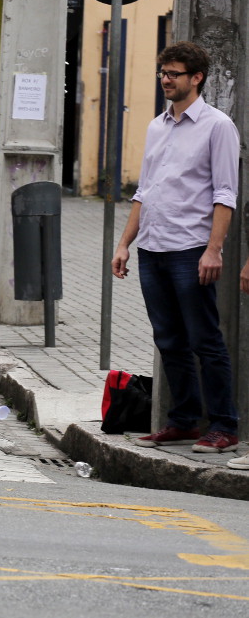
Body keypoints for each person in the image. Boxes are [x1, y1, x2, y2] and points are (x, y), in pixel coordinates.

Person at [111, 41, 240, 454]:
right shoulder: (156, 126)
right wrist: (124, 244)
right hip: (152, 248)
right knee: (168, 340)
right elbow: (144, 192)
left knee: (205, 340)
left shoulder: (218, 126)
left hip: (190, 248)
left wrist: (213, 249)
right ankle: (183, 420)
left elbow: (225, 193)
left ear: (196, 78)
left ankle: (224, 425)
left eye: (173, 73)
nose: (165, 80)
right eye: (162, 73)